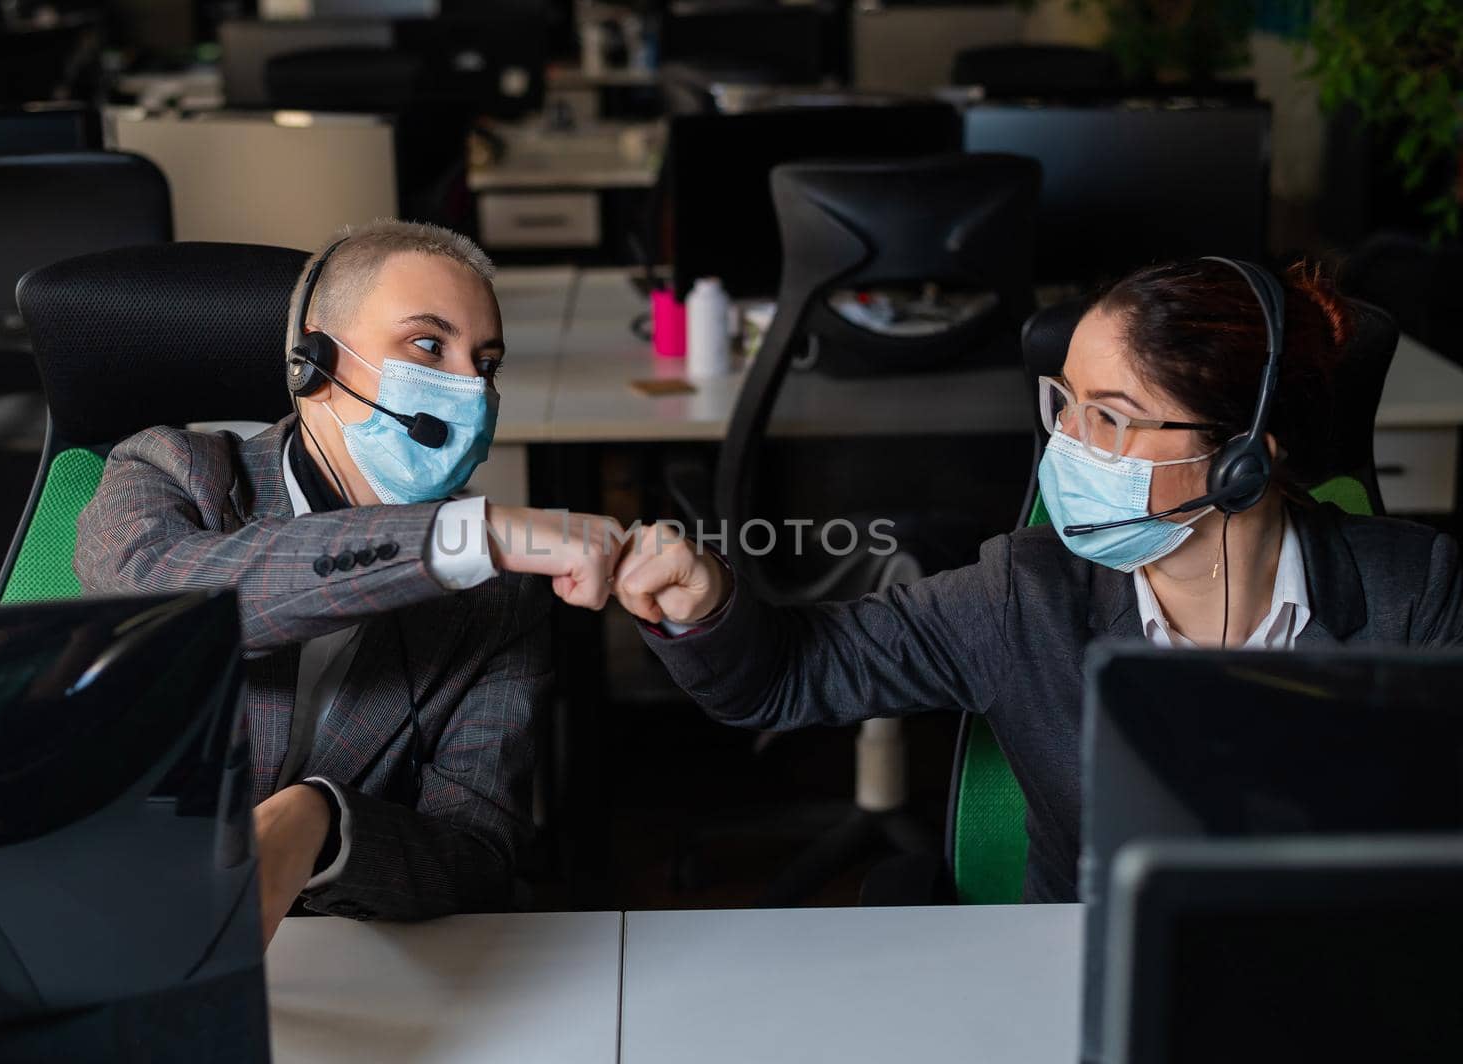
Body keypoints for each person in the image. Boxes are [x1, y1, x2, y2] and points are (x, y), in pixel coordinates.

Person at [610, 258, 1463, 903]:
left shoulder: (1413, 594)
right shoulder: (1029, 593)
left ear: (1243, 460)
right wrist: (705, 604)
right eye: (1068, 404)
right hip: (1075, 978)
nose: (1071, 444)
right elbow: (791, 674)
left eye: (1111, 419)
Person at [76, 219, 623, 941]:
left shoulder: (497, 594)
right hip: (112, 915)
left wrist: (323, 827)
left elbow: (479, 854)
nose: (471, 388)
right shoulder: (171, 471)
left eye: (485, 363)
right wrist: (465, 536)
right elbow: (167, 609)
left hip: (351, 953)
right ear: (314, 363)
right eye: (428, 346)